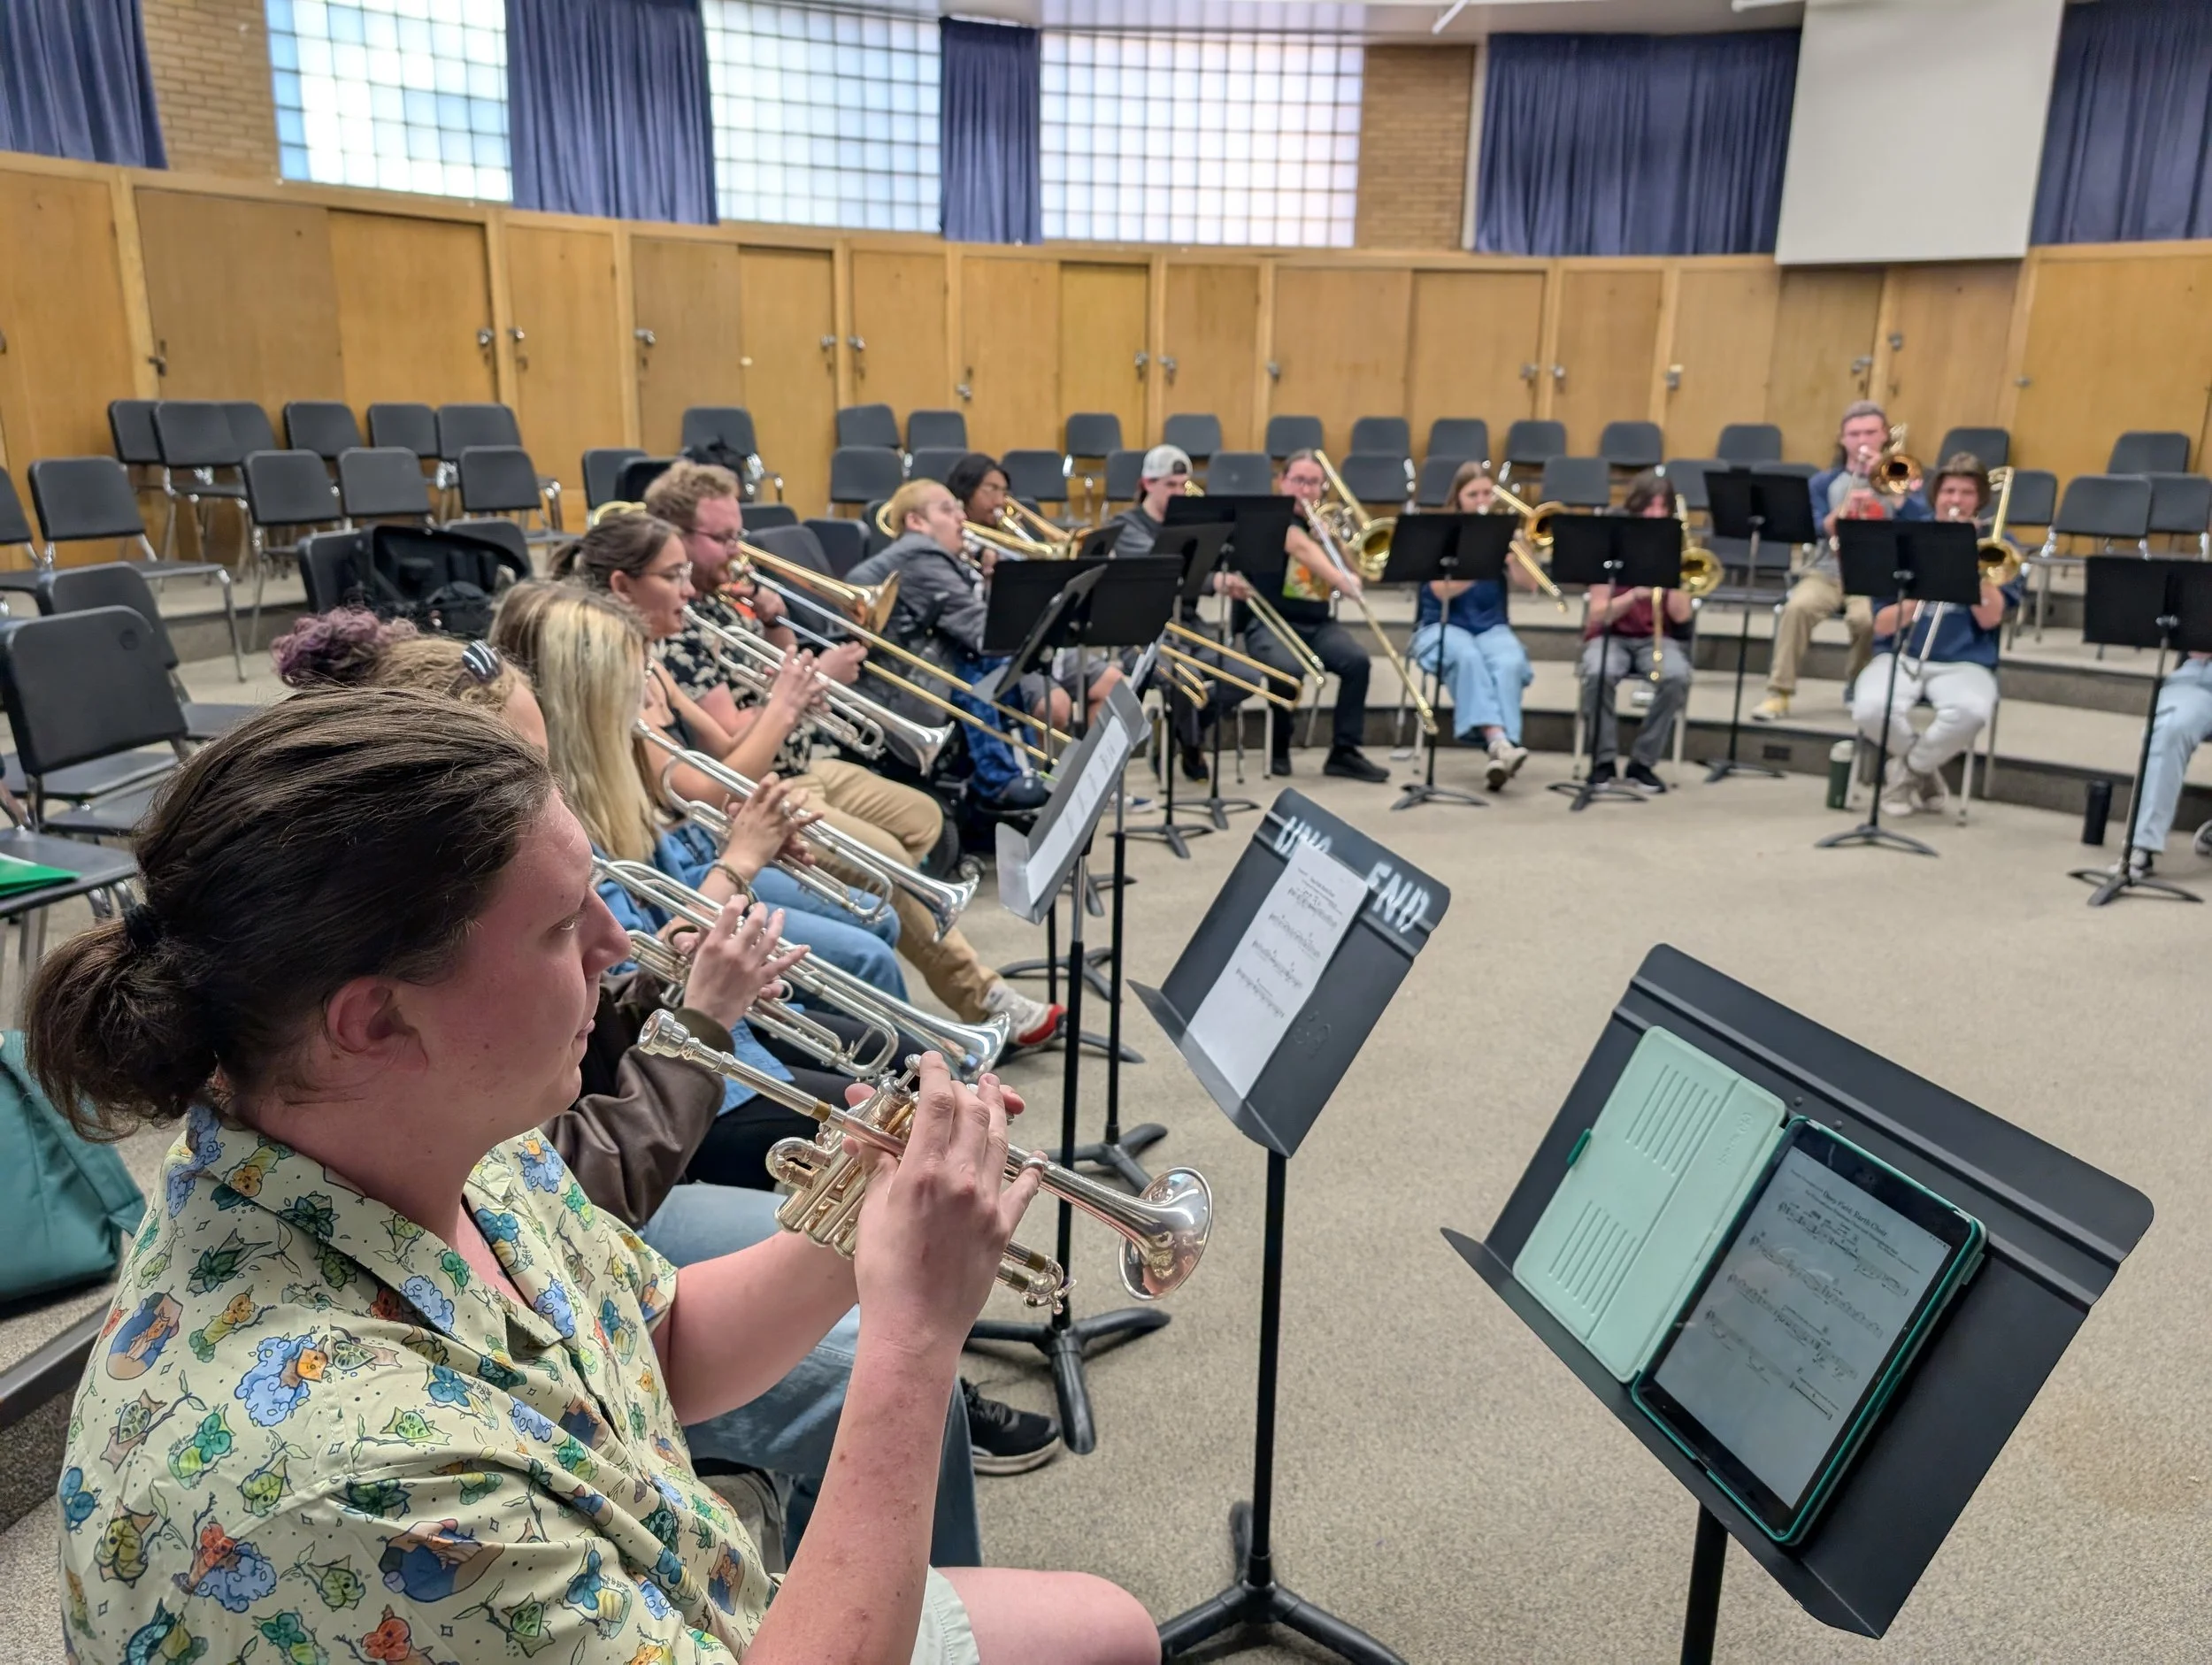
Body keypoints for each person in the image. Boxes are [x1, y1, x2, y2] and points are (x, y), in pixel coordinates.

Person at [39, 690, 1157, 1665]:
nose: (618, 947)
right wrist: (912, 1340)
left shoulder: (431, 1132)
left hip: (674, 1593)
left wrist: (854, 1219)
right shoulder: (341, 1479)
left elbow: (653, 1352)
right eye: (558, 928)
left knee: (1109, 1627)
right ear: (376, 1019)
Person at [272, 613, 1048, 1535]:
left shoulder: (468, 1151)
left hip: (620, 1161)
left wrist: (860, 1223)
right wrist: (699, 1009)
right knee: (862, 1356)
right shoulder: (357, 1426)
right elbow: (595, 1170)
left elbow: (643, 1318)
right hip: (643, 1159)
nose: (603, 935)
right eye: (563, 925)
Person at [557, 510, 1064, 1051]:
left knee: (922, 826)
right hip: (722, 825)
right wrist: (788, 704)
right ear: (622, 585)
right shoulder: (642, 660)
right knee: (884, 880)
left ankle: (918, 1014)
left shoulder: (681, 636)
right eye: (672, 574)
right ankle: (962, 1018)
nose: (687, 588)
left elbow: (724, 745)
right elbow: (708, 777)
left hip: (768, 789)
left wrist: (780, 657)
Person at [847, 479, 1065, 809]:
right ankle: (1000, 781)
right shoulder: (918, 555)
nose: (961, 519)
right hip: (905, 689)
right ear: (915, 522)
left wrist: (991, 582)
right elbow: (983, 634)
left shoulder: (925, 556)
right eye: (947, 510)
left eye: (959, 510)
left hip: (920, 670)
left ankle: (1021, 775)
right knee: (996, 668)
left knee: (1012, 669)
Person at [1851, 454, 2020, 819]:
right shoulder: (1906, 538)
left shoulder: (1999, 544)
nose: (1956, 500)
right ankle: (1925, 772)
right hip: (1902, 654)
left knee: (1972, 711)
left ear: (1979, 500)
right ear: (1935, 495)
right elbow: (1881, 624)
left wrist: (1971, 566)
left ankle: (1908, 771)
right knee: (1867, 708)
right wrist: (1926, 580)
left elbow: (1990, 619)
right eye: (1948, 491)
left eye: (1966, 492)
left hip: (1966, 660)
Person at [1755, 400, 1930, 722]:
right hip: (1827, 570)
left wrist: (1892, 490)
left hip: (1877, 573)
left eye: (1869, 432)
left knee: (1866, 621)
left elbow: (1922, 521)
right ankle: (1778, 693)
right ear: (1842, 439)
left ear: (1884, 436)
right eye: (1854, 433)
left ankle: (1858, 685)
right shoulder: (1824, 482)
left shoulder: (1904, 477)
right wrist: (1846, 510)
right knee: (1797, 608)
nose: (1862, 440)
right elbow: (1815, 525)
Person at [1103, 442, 1257, 780]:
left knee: (1248, 677)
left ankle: (1183, 731)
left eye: (1183, 485)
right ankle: (1192, 747)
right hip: (1142, 634)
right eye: (1169, 485)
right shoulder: (1127, 526)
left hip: (1189, 626)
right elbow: (1164, 568)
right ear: (1147, 484)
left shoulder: (1192, 524)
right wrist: (1215, 580)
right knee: (1187, 678)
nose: (1178, 492)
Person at [1240, 450, 1389, 781]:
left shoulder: (1322, 524)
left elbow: (1359, 572)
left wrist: (1334, 540)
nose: (1306, 490)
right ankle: (1279, 746)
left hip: (1318, 623)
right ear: (1282, 482)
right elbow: (1299, 547)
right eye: (1298, 481)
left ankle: (1344, 752)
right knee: (1288, 671)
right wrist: (1339, 579)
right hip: (1269, 622)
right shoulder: (1272, 517)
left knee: (1358, 662)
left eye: (1314, 483)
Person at [1409, 462, 1537, 789]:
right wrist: (1483, 559)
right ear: (1458, 499)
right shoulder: (1442, 534)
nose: (1481, 500)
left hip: (1490, 628)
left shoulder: (1504, 533)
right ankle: (1499, 742)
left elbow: (1530, 584)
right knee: (1465, 656)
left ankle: (1500, 753)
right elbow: (1441, 592)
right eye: (1473, 494)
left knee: (1510, 661)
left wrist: (1517, 554)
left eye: (1487, 493)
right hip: (1439, 626)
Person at [1578, 471, 1693, 794]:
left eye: (1662, 507)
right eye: (1649, 506)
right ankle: (1603, 761)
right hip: (1609, 635)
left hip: (1656, 637)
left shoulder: (1676, 547)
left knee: (1676, 677)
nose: (1655, 514)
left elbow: (1681, 617)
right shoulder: (1609, 544)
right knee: (1599, 673)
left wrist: (1673, 577)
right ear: (1635, 508)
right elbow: (1597, 614)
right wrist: (1634, 595)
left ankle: (1642, 763)